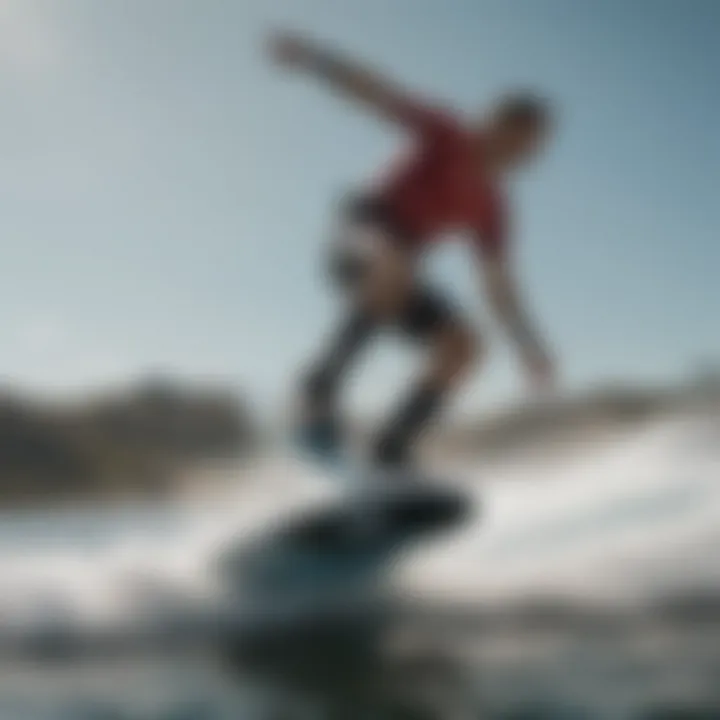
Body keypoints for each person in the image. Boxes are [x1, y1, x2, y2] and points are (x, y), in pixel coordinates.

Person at [268, 31, 557, 471]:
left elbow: (498, 284)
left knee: (465, 347)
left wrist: (528, 344)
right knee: (395, 259)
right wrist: (315, 59)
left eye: (534, 151)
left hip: (397, 270)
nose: (527, 158)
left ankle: (389, 450)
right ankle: (314, 395)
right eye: (523, 143)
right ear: (496, 123)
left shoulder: (493, 207)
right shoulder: (447, 134)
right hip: (359, 235)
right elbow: (378, 94)